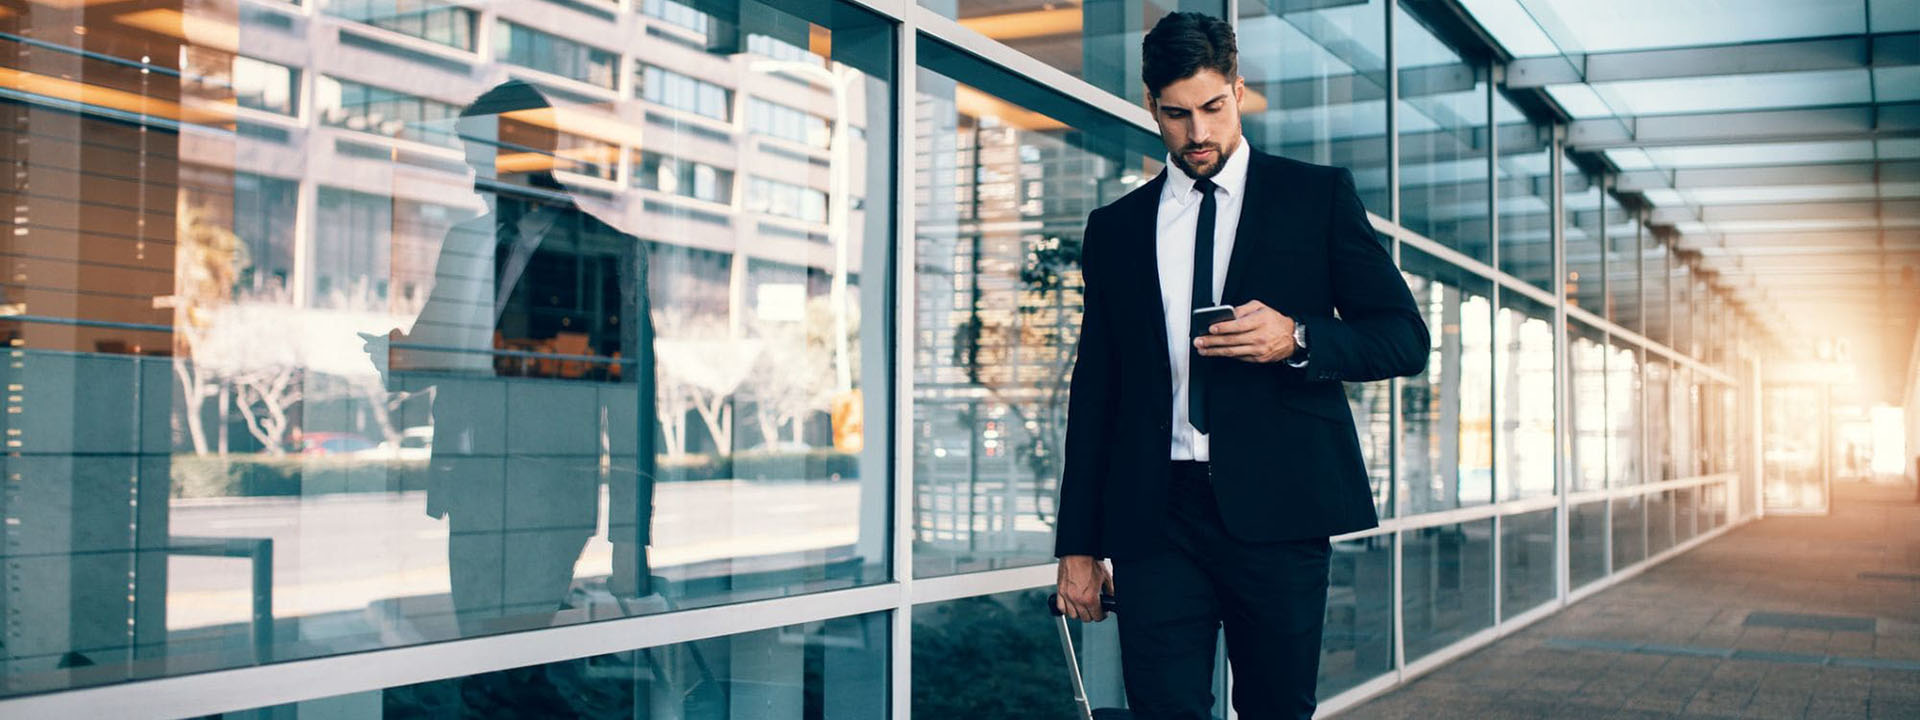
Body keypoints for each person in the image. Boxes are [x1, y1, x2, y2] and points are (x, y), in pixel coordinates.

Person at [1051, 13, 1429, 720]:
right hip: (1154, 515)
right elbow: (1095, 390)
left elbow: (1405, 338)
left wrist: (1300, 338)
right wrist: (1077, 544)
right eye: (1177, 114)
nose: (1198, 133)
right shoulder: (1117, 230)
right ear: (1150, 106)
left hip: (1280, 513)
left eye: (1213, 109)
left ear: (1239, 92)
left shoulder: (1315, 199)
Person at [363, 81, 659, 712]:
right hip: (468, 486)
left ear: (525, 152)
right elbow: (436, 354)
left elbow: (631, 401)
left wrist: (631, 541)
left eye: (480, 155)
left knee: (513, 665)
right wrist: (395, 357)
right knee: (483, 666)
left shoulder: (606, 251)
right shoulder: (465, 244)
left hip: (547, 495)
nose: (472, 173)